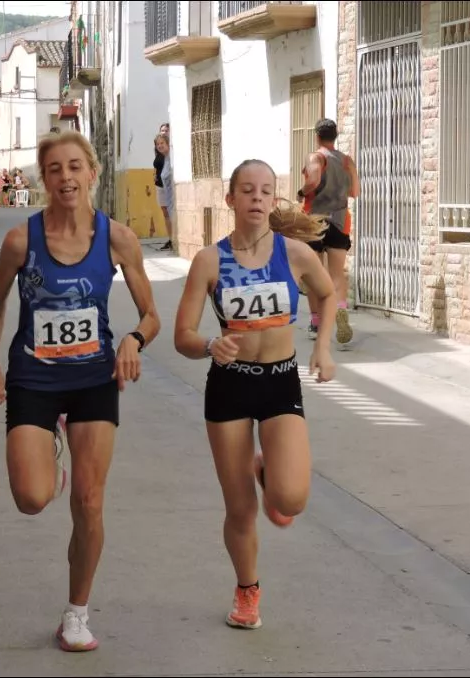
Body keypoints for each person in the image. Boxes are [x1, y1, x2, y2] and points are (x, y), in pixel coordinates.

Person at [0, 130, 161, 652]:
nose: (66, 177)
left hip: (93, 379)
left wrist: (132, 339)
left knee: (91, 500)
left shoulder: (118, 239)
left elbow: (152, 316)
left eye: (75, 166)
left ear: (93, 173)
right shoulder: (22, 241)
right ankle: (48, 463)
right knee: (32, 498)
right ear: (44, 178)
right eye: (55, 169)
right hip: (33, 378)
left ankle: (76, 614)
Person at [174, 158, 338, 630]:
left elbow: (326, 295)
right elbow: (183, 334)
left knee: (291, 500)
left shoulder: (295, 254)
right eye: (247, 190)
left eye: (266, 190)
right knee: (240, 506)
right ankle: (247, 590)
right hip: (229, 386)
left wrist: (323, 347)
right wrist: (209, 344)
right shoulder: (209, 261)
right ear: (231, 199)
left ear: (274, 198)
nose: (257, 198)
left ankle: (268, 468)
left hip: (280, 381)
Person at [298, 118, 359, 345]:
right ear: (336, 136)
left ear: (317, 136)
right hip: (340, 221)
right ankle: (341, 310)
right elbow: (355, 191)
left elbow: (312, 181)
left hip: (313, 222)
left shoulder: (316, 157)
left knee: (313, 274)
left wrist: (301, 191)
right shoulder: (347, 161)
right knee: (336, 273)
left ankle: (315, 322)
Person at [154, 133, 175, 252]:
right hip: (164, 191)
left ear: (168, 144)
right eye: (158, 144)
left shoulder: (171, 157)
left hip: (171, 193)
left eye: (162, 143)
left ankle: (173, 240)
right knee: (167, 215)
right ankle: (171, 239)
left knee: (171, 214)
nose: (160, 146)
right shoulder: (164, 157)